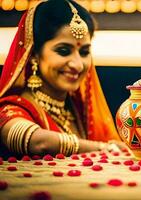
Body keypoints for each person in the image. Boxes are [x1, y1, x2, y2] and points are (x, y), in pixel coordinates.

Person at [0, 0, 121, 158]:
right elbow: (37, 142)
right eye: (64, 51)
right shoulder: (12, 109)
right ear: (34, 54)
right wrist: (103, 148)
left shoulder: (80, 111)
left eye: (84, 52)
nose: (77, 65)